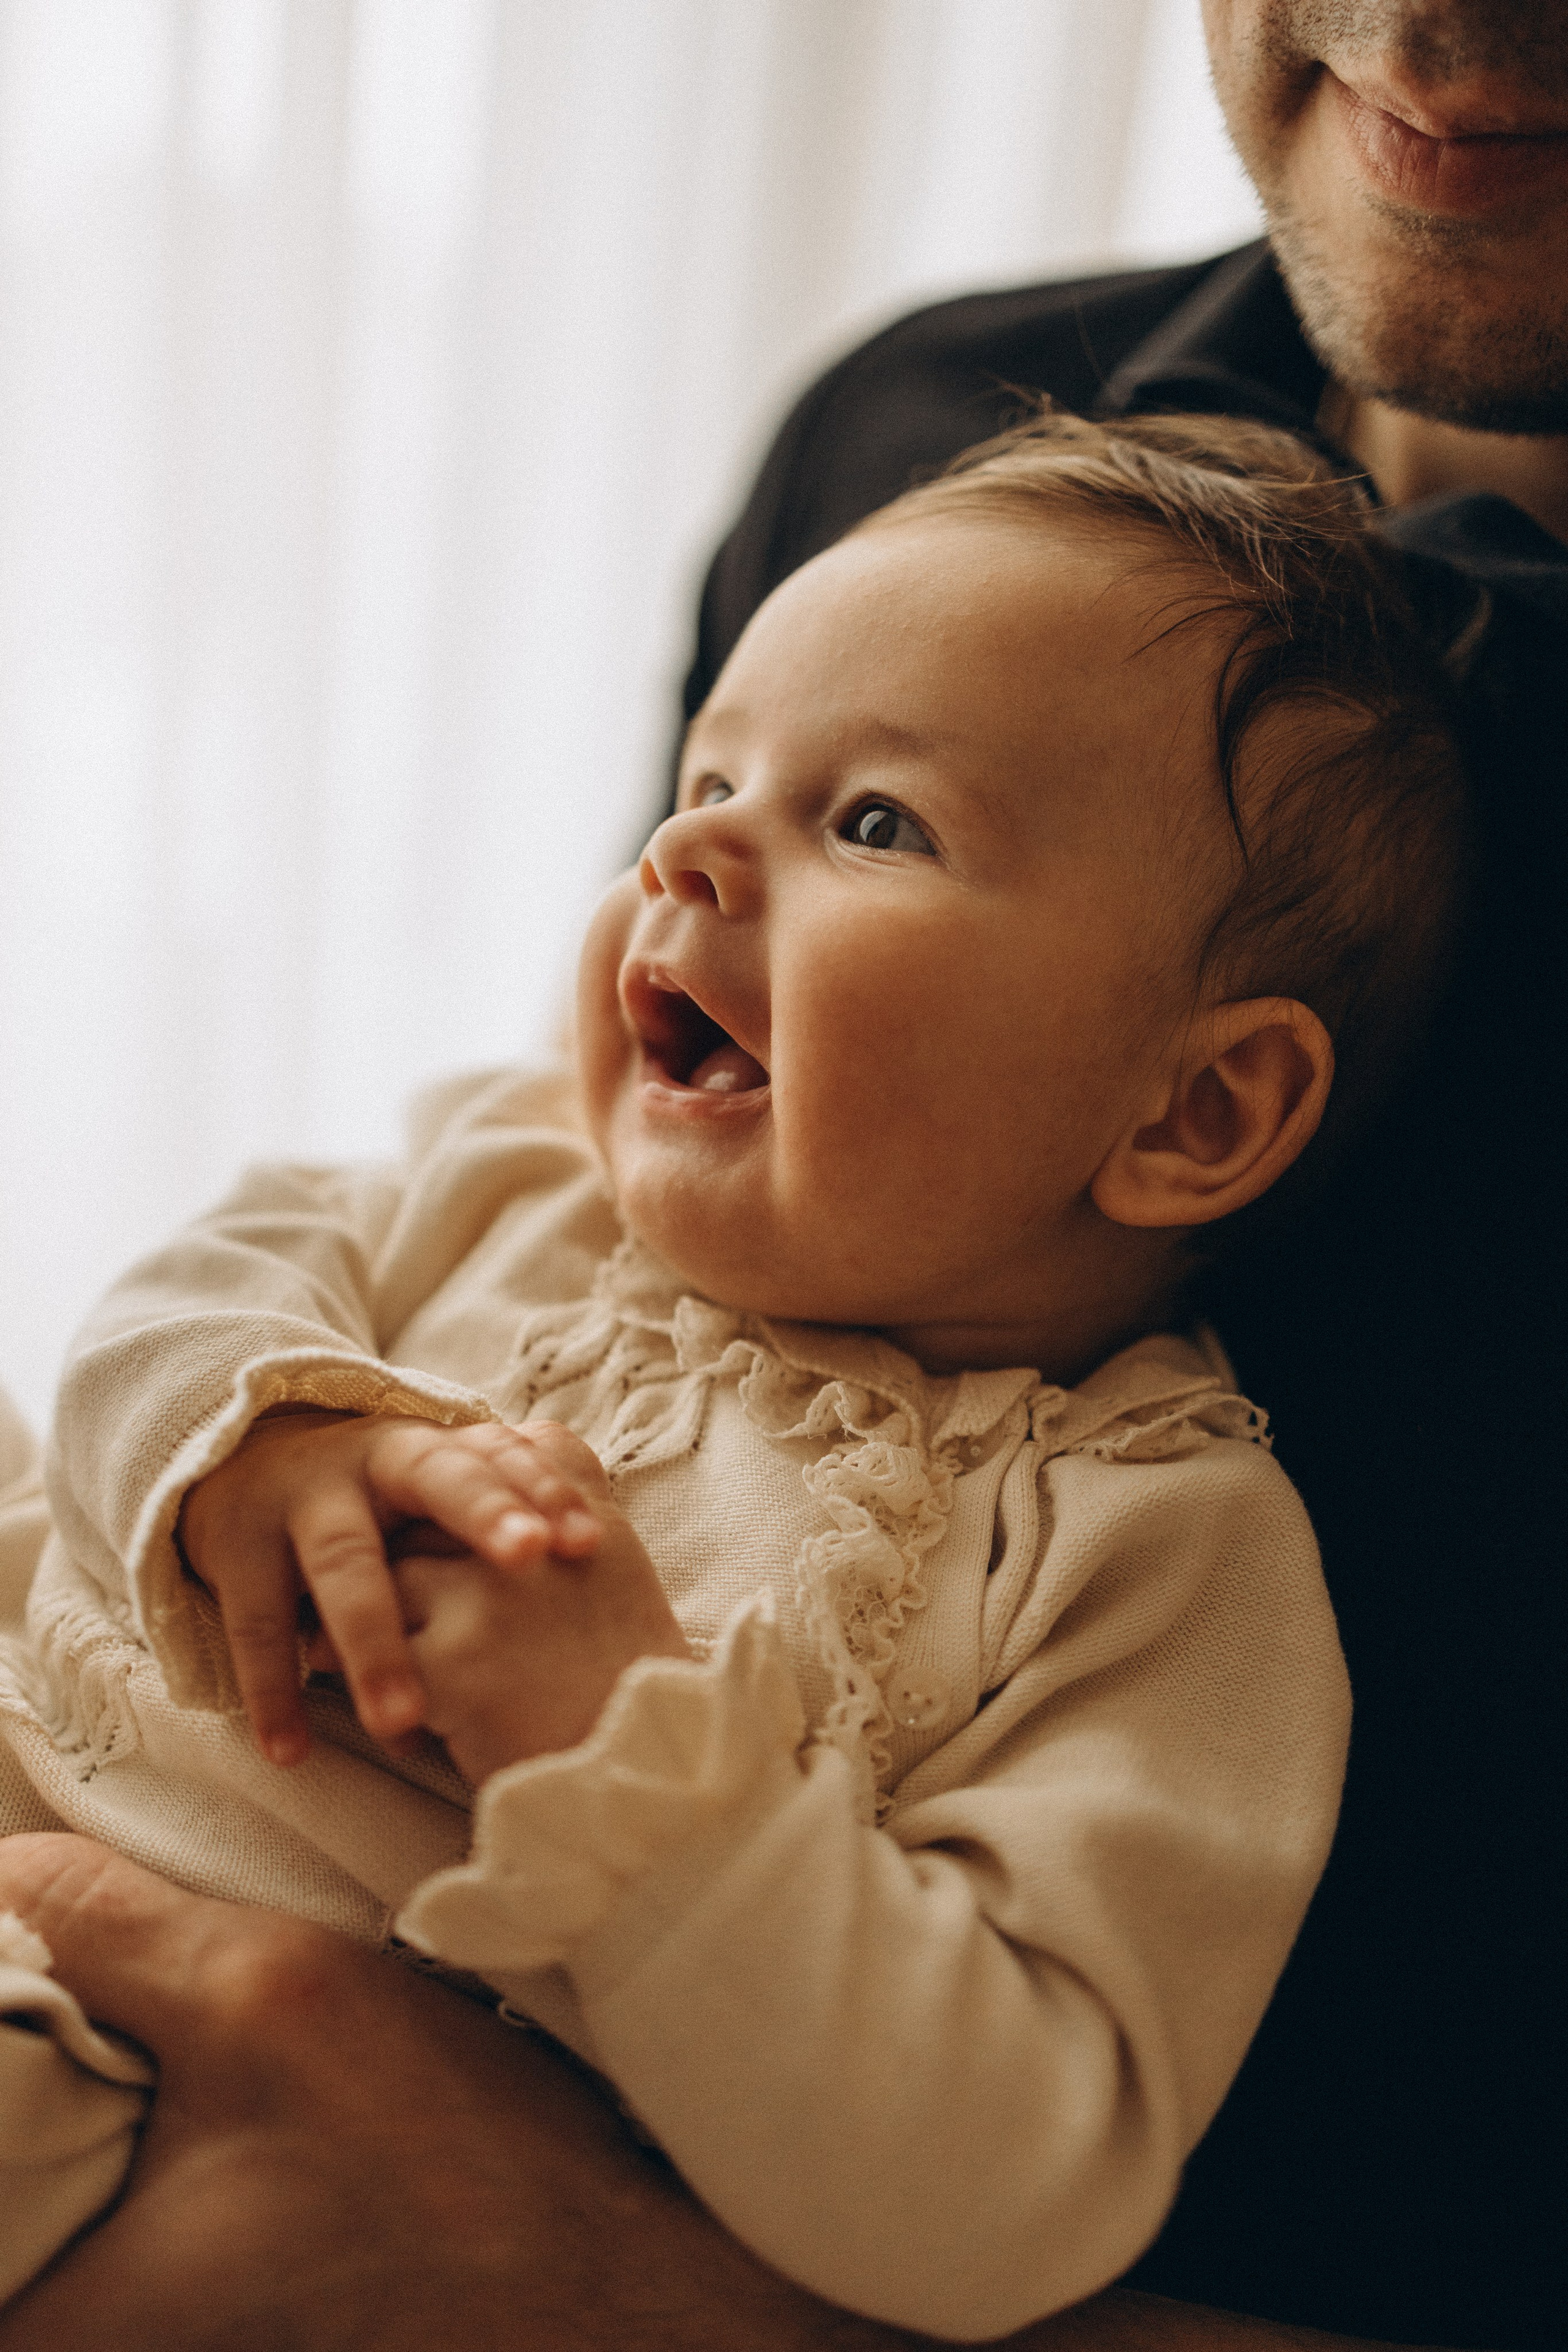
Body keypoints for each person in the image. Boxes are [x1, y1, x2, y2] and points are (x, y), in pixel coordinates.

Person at [1, 4, 1562, 2346]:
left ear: (1200, 1111)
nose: (687, 850)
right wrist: (265, 1420)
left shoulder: (1144, 1572)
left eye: (871, 825)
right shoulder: (522, 1170)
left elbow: (997, 2182)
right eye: (720, 768)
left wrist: (643, 1778)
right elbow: (173, 1311)